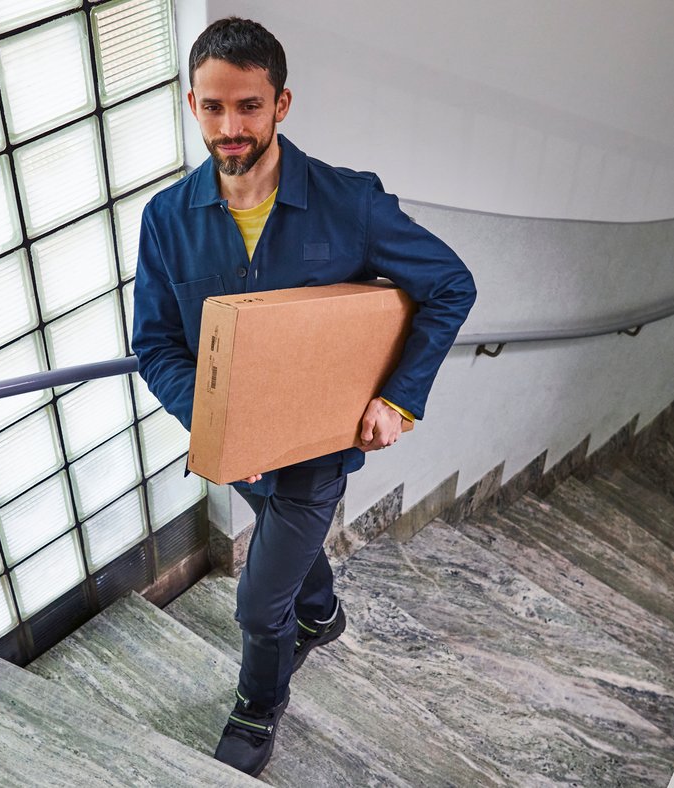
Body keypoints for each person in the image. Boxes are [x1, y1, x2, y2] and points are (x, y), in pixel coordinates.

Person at [131, 17, 476, 776]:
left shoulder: (349, 203)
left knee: (257, 607)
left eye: (249, 106)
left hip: (318, 452)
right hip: (239, 452)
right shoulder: (164, 222)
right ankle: (320, 612)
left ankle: (259, 707)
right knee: (286, 576)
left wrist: (399, 398)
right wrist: (218, 423)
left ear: (282, 104)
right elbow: (155, 344)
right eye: (214, 107)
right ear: (192, 104)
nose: (230, 127)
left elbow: (451, 285)